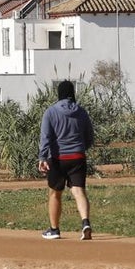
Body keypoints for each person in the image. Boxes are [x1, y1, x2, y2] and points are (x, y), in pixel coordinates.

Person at [38, 80, 94, 240]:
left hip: (57, 158)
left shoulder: (51, 112)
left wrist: (42, 157)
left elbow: (45, 137)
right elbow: (89, 136)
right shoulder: (82, 112)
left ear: (59, 94)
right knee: (78, 191)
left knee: (55, 193)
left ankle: (54, 230)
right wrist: (81, 148)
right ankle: (85, 223)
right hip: (78, 157)